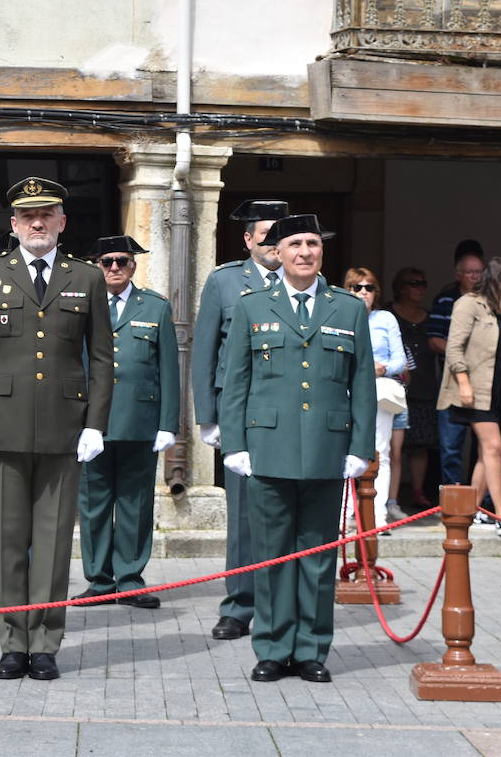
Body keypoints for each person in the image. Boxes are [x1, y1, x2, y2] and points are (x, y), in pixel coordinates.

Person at [0, 176, 113, 682]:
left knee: (51, 542)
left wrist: (95, 424)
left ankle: (45, 642)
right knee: (7, 539)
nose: (37, 223)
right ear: (14, 224)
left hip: (64, 431)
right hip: (1, 428)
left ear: (62, 222)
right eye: (28, 216)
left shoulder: (85, 277)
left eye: (46, 215)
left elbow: (103, 359)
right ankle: (12, 640)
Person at [219, 213, 374, 684]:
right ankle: (271, 647)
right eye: (296, 244)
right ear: (278, 253)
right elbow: (234, 382)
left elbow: (362, 381)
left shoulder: (346, 308)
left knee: (319, 557)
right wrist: (235, 443)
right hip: (267, 448)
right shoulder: (251, 307)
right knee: (271, 556)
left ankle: (310, 650)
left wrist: (360, 445)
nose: (305, 252)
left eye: (313, 243)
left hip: (327, 450)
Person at [190, 198, 289, 642]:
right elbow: (205, 350)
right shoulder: (227, 281)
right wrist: (207, 418)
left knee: (288, 513)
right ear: (247, 240)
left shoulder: (307, 282)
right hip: (242, 414)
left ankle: (282, 605)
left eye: (279, 234)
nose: (273, 244)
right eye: (264, 235)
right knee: (245, 517)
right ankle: (240, 605)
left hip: (290, 414)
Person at [76, 235, 178, 609]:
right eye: (107, 262)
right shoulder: (82, 307)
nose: (115, 267)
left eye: (122, 261)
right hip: (92, 422)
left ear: (133, 265)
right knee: (94, 502)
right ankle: (99, 580)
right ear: (97, 266)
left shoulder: (155, 307)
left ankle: (131, 579)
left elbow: (169, 368)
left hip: (139, 420)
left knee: (135, 503)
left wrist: (169, 423)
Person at [436, 256, 501, 536]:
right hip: (474, 391)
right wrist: (463, 382)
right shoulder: (468, 304)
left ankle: (471, 511)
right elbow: (454, 347)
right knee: (494, 448)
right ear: (497, 279)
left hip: (499, 393)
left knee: (485, 454)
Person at [343, 267, 406, 530]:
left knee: (380, 452)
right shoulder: (339, 314)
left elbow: (400, 361)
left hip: (379, 390)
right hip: (344, 390)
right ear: (347, 290)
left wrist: (381, 368)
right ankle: (344, 514)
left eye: (369, 288)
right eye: (357, 287)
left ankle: (377, 516)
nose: (363, 293)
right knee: (342, 450)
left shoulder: (386, 319)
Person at [429, 241, 486, 486]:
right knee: (450, 446)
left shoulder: (490, 302)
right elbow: (434, 340)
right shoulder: (445, 300)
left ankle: (481, 503)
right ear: (458, 275)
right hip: (452, 382)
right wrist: (461, 357)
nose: (475, 276)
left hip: (484, 382)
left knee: (484, 446)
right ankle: (451, 498)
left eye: (479, 272)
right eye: (470, 272)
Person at [386, 267, 438, 510]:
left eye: (423, 283)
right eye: (414, 283)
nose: (420, 288)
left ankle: (417, 492)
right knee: (390, 446)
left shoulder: (429, 318)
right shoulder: (387, 315)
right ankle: (388, 495)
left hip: (423, 387)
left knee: (420, 445)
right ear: (401, 287)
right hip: (392, 388)